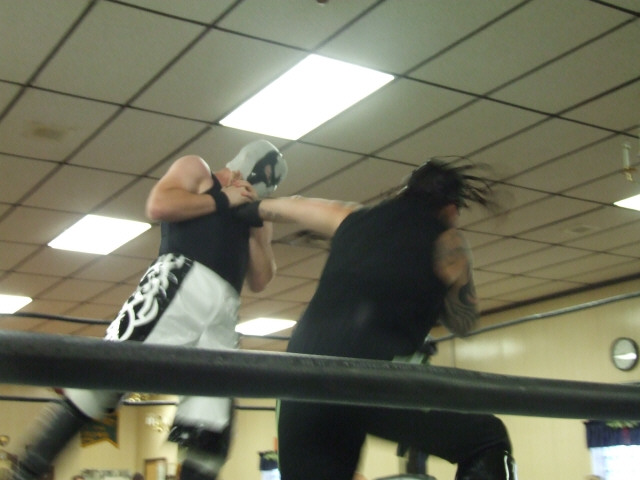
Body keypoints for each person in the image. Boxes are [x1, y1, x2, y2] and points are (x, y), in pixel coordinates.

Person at [14, 140, 288, 480]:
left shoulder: (253, 210)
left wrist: (257, 226)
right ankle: (27, 471)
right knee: (103, 378)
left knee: (211, 429)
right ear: (240, 167)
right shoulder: (197, 170)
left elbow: (261, 280)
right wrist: (223, 199)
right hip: (178, 285)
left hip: (222, 314)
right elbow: (158, 205)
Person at [234, 159, 517, 480]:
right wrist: (445, 282)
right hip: (371, 379)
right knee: (487, 438)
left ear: (405, 192)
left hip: (301, 375)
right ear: (451, 209)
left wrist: (241, 206)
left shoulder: (351, 216)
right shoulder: (448, 240)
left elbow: (290, 207)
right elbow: (463, 323)